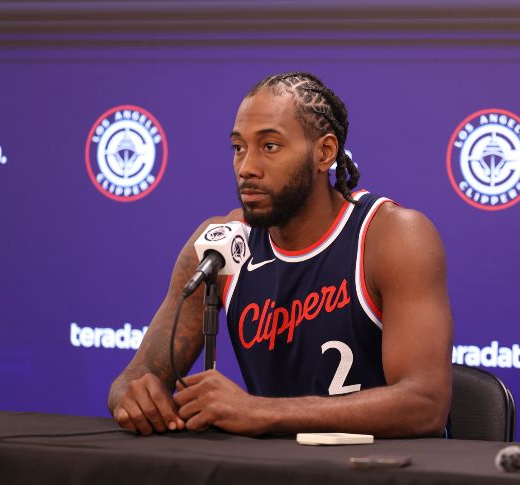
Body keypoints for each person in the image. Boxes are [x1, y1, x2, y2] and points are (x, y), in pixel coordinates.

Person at [107, 72, 454, 438]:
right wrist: (131, 397)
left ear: (325, 152)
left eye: (269, 146)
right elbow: (133, 378)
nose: (247, 168)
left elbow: (425, 405)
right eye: (239, 148)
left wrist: (261, 411)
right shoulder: (220, 245)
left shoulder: (392, 236)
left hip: (380, 471)